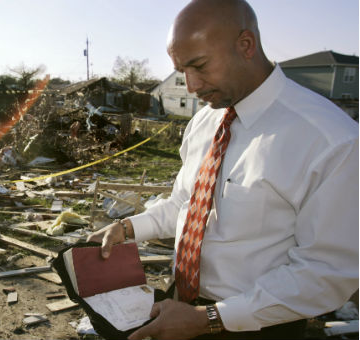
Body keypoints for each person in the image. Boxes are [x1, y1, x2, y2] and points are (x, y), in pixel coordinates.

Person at [87, 0, 359, 339]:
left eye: (200, 66)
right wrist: (126, 227)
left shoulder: (330, 140)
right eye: (182, 70)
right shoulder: (205, 121)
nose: (191, 86)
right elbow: (184, 206)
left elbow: (328, 273)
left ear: (246, 45)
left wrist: (210, 319)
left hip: (258, 324)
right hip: (178, 308)